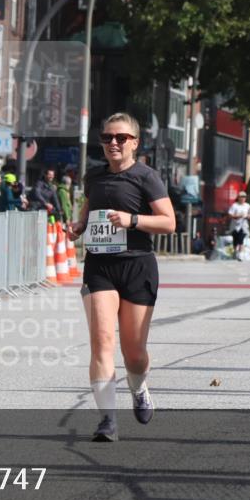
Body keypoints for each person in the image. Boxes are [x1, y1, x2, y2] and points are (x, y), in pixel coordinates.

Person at [66, 112, 176, 442]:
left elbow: (169, 222)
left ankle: (139, 388)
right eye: (107, 138)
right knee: (102, 343)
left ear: (135, 143)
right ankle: (107, 420)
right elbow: (88, 212)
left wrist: (132, 220)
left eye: (121, 138)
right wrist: (78, 227)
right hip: (100, 267)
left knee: (134, 353)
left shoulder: (147, 177)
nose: (113, 143)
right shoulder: (95, 177)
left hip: (137, 266)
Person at [227, 191, 250, 260]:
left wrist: (247, 216)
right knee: (235, 240)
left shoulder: (247, 205)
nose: (243, 198)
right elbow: (230, 214)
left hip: (243, 226)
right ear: (238, 197)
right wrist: (238, 216)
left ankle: (240, 254)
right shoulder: (234, 205)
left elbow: (249, 214)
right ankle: (235, 252)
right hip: (235, 226)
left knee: (241, 239)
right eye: (241, 197)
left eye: (244, 197)